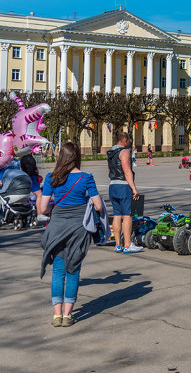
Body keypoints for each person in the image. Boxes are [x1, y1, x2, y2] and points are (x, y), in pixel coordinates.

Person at [37, 142, 104, 327]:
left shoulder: (52, 178)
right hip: (78, 228)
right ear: (77, 157)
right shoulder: (86, 178)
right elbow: (98, 206)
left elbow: (43, 209)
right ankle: (68, 315)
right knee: (73, 269)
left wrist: (54, 206)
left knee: (58, 271)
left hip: (57, 227)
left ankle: (56, 315)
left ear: (61, 157)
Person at [106, 132, 142, 253]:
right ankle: (127, 245)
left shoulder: (110, 152)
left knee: (117, 214)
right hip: (123, 186)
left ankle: (118, 245)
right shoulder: (124, 152)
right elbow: (127, 171)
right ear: (125, 140)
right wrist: (134, 188)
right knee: (127, 214)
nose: (129, 143)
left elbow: (110, 170)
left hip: (112, 185)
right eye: (128, 141)